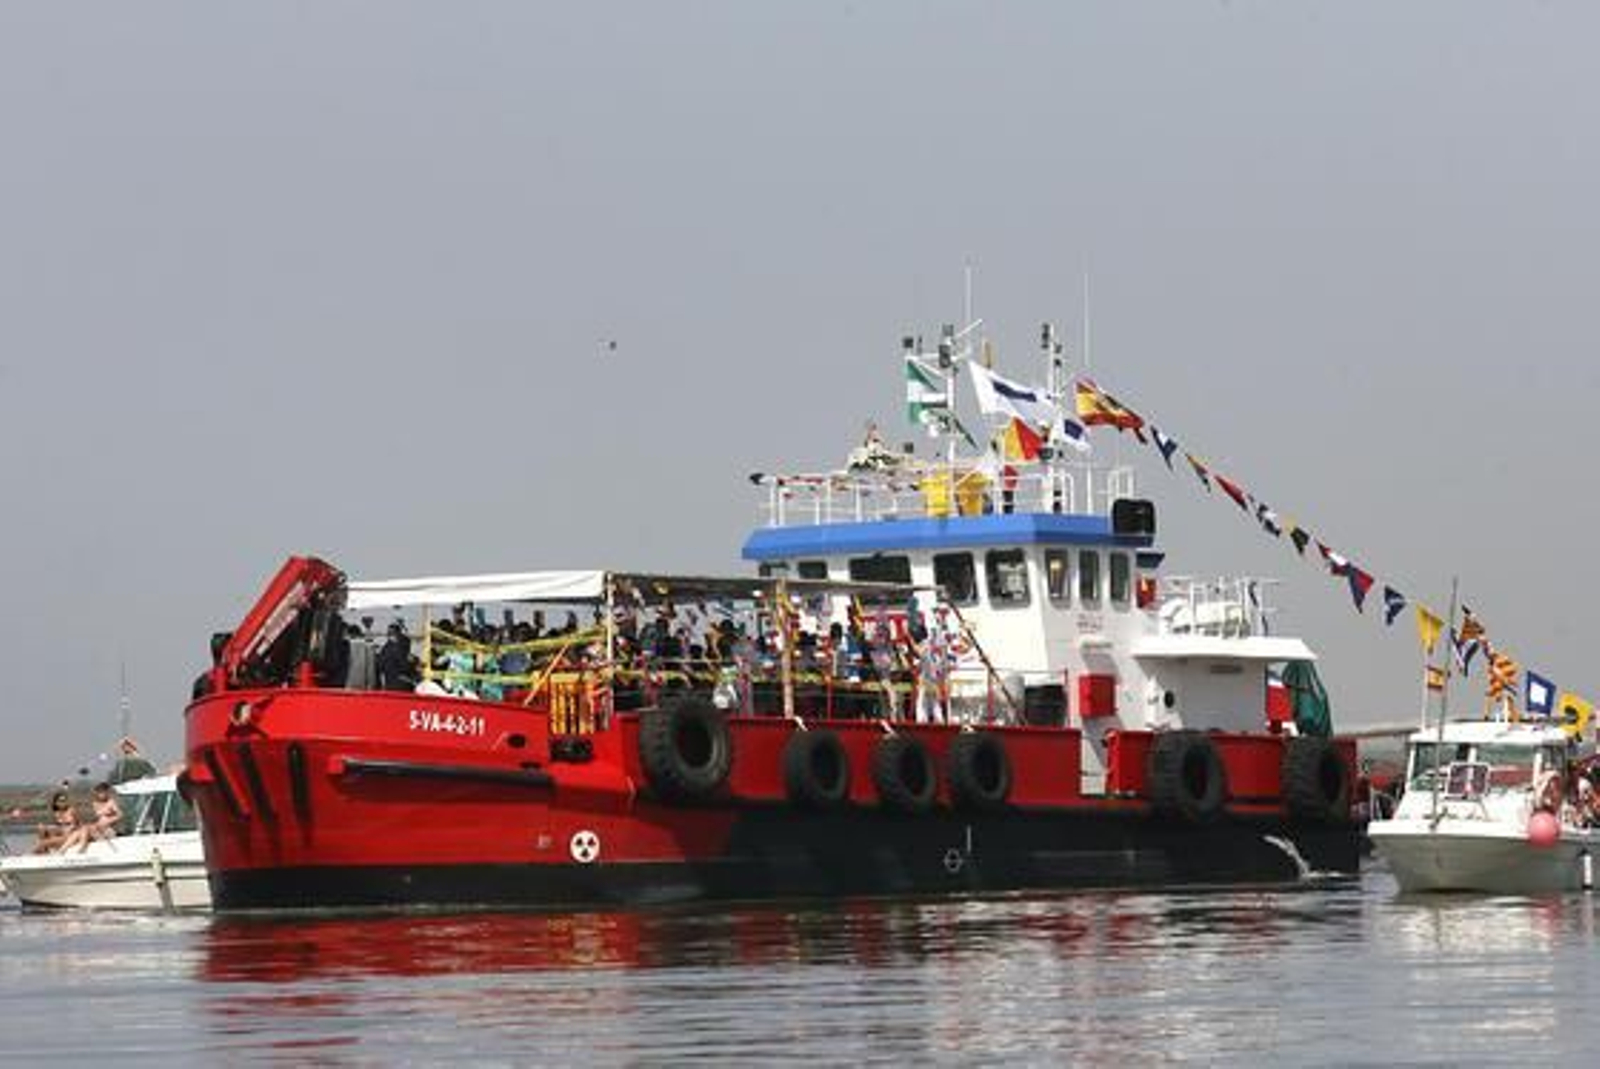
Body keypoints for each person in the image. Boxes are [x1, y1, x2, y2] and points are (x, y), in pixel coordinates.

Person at [61, 783, 122, 852]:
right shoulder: (95, 803)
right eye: (99, 792)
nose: (100, 795)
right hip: (97, 829)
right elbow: (97, 818)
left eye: (102, 792)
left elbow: (120, 815)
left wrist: (109, 821)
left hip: (108, 830)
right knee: (78, 832)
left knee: (85, 828)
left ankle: (82, 848)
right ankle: (62, 850)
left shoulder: (111, 802)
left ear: (106, 792)